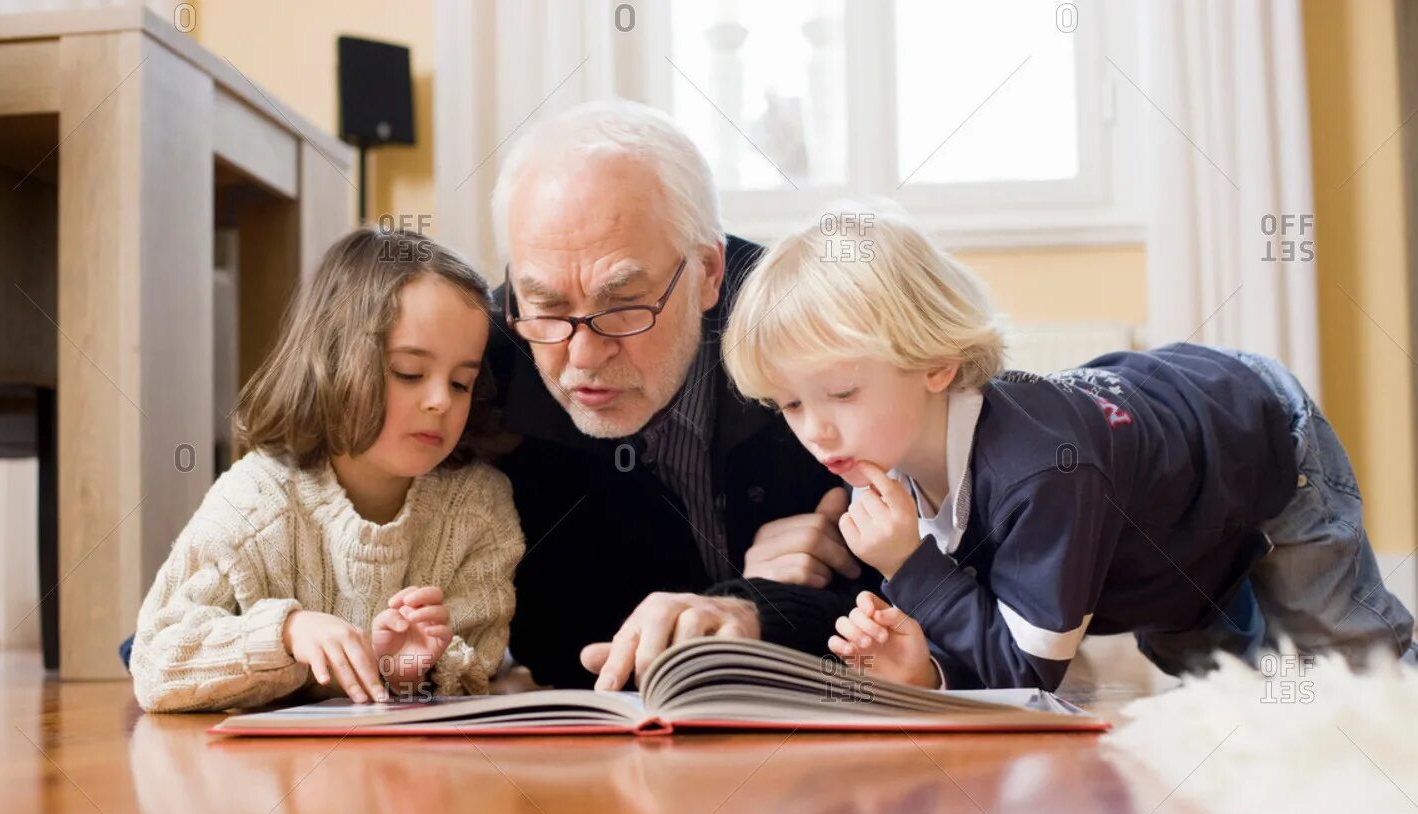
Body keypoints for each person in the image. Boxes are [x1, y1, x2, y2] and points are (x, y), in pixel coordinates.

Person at [722, 202, 1417, 690]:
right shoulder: (890, 463)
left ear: (935, 364)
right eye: (788, 404)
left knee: (1350, 663)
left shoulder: (1039, 473)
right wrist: (924, 667)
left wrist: (911, 565)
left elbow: (1030, 676)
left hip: (1257, 428)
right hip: (1163, 538)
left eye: (841, 395)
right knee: (1227, 675)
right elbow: (985, 640)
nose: (814, 429)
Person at [487, 100, 874, 692]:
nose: (584, 357)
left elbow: (941, 584)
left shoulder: (815, 336)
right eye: (548, 307)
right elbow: (556, 641)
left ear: (708, 272)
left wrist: (760, 611)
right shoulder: (480, 365)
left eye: (622, 305)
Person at [130, 228, 524, 712]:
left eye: (461, 382)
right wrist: (287, 633)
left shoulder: (479, 507)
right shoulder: (253, 500)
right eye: (408, 373)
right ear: (335, 361)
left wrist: (406, 670)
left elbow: (479, 663)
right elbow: (153, 663)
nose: (441, 400)